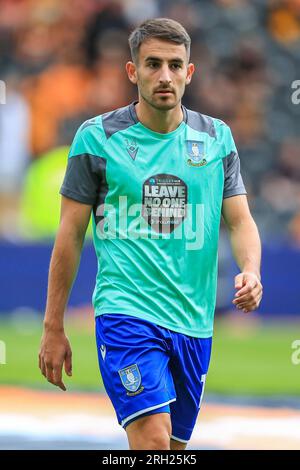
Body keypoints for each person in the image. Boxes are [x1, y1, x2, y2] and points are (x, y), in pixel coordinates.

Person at [39, 18, 263, 450]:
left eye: (175, 65)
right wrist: (53, 326)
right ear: (132, 71)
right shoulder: (98, 138)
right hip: (127, 314)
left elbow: (240, 220)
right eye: (153, 64)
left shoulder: (217, 138)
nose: (165, 76)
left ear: (189, 72)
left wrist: (251, 270)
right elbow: (69, 235)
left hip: (194, 325)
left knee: (170, 450)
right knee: (155, 444)